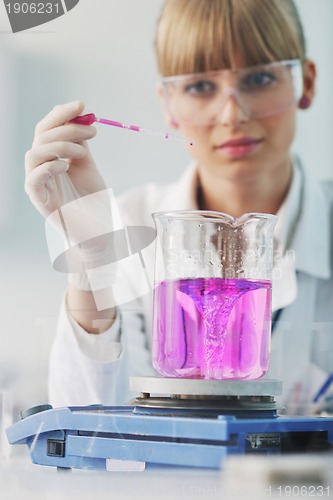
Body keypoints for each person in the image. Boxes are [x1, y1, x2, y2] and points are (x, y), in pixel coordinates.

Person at [25, 0, 333, 415]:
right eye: (200, 86)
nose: (232, 114)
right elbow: (92, 432)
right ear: (168, 103)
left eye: (259, 78)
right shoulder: (131, 227)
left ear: (305, 83)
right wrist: (91, 261)